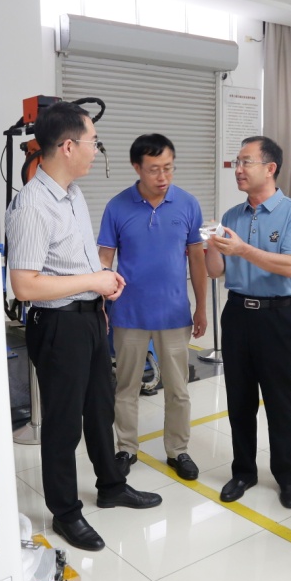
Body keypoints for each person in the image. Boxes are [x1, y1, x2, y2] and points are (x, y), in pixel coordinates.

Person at [5, 101, 162, 553]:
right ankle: (65, 511)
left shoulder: (72, 194)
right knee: (62, 424)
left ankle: (111, 485)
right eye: (94, 142)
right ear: (68, 146)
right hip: (58, 326)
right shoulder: (32, 205)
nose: (97, 150)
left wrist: (101, 282)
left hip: (89, 318)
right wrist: (93, 281)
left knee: (99, 408)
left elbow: (75, 258)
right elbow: (25, 285)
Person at [205, 135, 291, 509]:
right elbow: (216, 271)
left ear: (270, 168)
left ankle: (288, 477)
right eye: (237, 162)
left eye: (245, 162)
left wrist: (243, 249)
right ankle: (243, 472)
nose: (238, 169)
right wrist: (211, 246)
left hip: (277, 316)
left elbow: (290, 266)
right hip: (237, 314)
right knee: (239, 399)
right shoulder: (232, 216)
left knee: (281, 400)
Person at [97, 133, 207, 481]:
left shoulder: (187, 204)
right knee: (126, 387)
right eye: (154, 169)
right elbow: (104, 260)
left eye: (168, 168)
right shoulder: (117, 206)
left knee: (178, 389)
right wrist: (101, 305)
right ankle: (126, 448)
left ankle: (178, 450)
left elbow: (197, 260)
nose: (163, 177)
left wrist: (201, 307)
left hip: (174, 314)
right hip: (128, 314)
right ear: (137, 168)